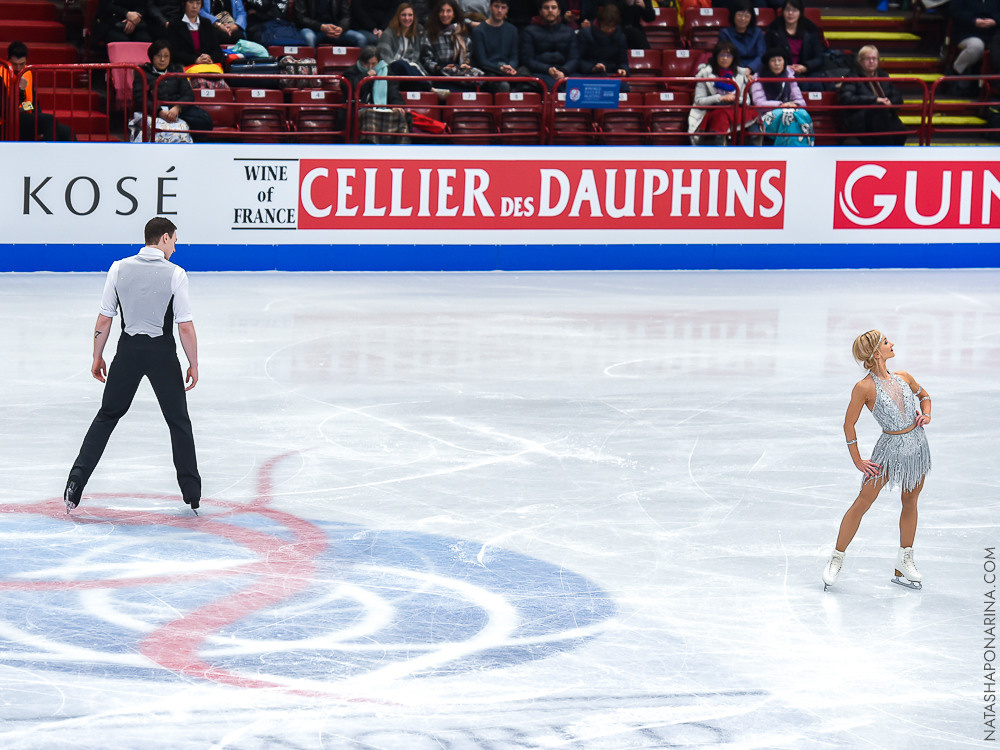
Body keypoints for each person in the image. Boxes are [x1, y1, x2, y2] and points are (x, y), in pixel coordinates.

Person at [64, 217, 202, 516]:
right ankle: (191, 493)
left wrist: (97, 356)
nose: (176, 248)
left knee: (107, 415)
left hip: (127, 352)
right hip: (162, 354)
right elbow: (185, 326)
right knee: (178, 420)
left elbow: (105, 319)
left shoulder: (118, 268)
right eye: (175, 241)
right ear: (164, 238)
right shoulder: (176, 274)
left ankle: (75, 482)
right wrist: (193, 363)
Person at [822, 331, 932, 591]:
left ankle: (905, 558)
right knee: (863, 501)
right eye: (886, 342)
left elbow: (924, 396)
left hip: (917, 447)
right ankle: (837, 557)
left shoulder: (904, 377)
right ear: (875, 353)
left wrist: (926, 415)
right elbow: (849, 425)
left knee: (910, 501)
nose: (891, 344)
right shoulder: (864, 387)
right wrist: (858, 460)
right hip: (888, 450)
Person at [132, 39, 214, 138]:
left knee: (204, 120)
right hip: (154, 110)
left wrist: (177, 108)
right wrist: (159, 112)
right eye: (158, 56)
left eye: (166, 56)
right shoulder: (142, 72)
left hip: (176, 109)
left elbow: (188, 94)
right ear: (152, 57)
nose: (162, 60)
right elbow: (140, 98)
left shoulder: (177, 70)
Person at [0, 42, 76, 141]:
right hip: (8, 121)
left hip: (27, 117)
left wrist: (38, 117)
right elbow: (6, 110)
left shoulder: (27, 72)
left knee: (67, 131)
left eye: (21, 64)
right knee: (48, 120)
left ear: (26, 60)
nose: (18, 69)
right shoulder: (1, 75)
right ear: (8, 59)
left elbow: (34, 102)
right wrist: (21, 91)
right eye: (14, 64)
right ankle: (50, 153)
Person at [837, 45, 907, 145]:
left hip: (885, 114)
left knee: (901, 132)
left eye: (874, 58)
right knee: (880, 115)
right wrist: (875, 100)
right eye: (867, 59)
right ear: (860, 61)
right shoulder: (852, 77)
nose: (871, 61)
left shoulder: (883, 75)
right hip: (861, 116)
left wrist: (890, 102)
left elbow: (897, 96)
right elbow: (847, 98)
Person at [688, 40, 751, 144]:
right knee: (721, 115)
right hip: (712, 111)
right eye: (722, 54)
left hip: (735, 110)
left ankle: (754, 151)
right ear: (716, 56)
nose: (725, 58)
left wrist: (734, 98)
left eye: (729, 55)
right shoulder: (705, 74)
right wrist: (720, 98)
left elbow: (747, 101)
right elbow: (699, 100)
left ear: (733, 58)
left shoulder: (740, 75)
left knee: (753, 115)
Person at [749, 46, 813, 145]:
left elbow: (801, 101)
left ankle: (802, 146)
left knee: (802, 113)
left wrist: (795, 104)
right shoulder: (758, 78)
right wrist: (781, 105)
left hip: (788, 111)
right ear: (768, 63)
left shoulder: (789, 76)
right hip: (766, 117)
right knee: (788, 116)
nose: (777, 64)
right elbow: (759, 103)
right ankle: (791, 149)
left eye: (780, 60)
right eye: (773, 61)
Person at [764, 0, 825, 90]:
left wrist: (805, 67)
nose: (790, 13)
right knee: (798, 85)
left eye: (795, 10)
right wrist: (783, 66)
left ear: (800, 12)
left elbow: (819, 57)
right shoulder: (774, 30)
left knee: (816, 85)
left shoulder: (810, 29)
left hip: (806, 70)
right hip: (782, 70)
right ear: (783, 11)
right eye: (787, 10)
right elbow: (768, 54)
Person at [518, 0, 579, 89]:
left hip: (564, 72)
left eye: (553, 8)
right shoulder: (529, 31)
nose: (550, 10)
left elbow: (574, 58)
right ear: (540, 11)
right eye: (546, 8)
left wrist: (563, 71)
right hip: (540, 73)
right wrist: (548, 69)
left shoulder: (569, 32)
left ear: (559, 11)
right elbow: (527, 59)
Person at [421, 0, 483, 86]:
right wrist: (440, 68)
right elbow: (426, 60)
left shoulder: (462, 32)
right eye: (442, 11)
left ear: (454, 14)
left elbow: (467, 54)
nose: (445, 14)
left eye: (448, 11)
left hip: (460, 73)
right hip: (439, 75)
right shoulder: (429, 33)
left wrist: (465, 63)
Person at [946, 0, 999, 96]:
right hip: (967, 32)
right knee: (976, 46)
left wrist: (995, 20)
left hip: (993, 34)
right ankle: (955, 71)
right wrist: (973, 20)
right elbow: (954, 12)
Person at [472, 0, 520, 90]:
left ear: (507, 9)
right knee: (503, 85)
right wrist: (500, 68)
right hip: (488, 72)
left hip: (508, 70)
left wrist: (510, 67)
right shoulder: (479, 31)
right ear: (490, 7)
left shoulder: (512, 30)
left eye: (503, 7)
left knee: (527, 84)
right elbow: (482, 60)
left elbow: (514, 56)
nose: (499, 10)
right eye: (496, 6)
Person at [167, 0, 226, 66]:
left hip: (208, 66)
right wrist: (195, 59)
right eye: (191, 2)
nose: (194, 6)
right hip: (185, 67)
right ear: (184, 3)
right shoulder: (175, 24)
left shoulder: (206, 23)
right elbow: (173, 53)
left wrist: (210, 58)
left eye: (198, 3)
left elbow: (217, 50)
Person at [378, 2, 429, 77]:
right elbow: (385, 59)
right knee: (401, 64)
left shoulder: (419, 31)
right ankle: (429, 87)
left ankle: (427, 85)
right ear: (398, 17)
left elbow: (424, 55)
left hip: (412, 69)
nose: (407, 18)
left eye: (410, 15)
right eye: (403, 15)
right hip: (394, 71)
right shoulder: (388, 33)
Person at [578, 3, 628, 79]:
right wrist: (592, 67)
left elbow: (623, 61)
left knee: (624, 87)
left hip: (611, 73)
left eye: (613, 26)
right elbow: (577, 59)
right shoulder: (585, 34)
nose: (610, 30)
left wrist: (623, 69)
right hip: (588, 73)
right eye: (606, 26)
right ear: (600, 23)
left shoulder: (620, 37)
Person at [295, 0, 368, 49]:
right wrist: (321, 26)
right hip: (313, 28)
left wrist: (341, 28)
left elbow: (345, 16)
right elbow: (300, 18)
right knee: (309, 37)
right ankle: (312, 68)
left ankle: (353, 70)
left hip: (334, 29)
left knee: (360, 38)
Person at [719, 0, 765, 74]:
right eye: (739, 15)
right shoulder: (725, 33)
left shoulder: (757, 32)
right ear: (733, 15)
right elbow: (725, 56)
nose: (743, 19)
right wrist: (741, 71)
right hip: (733, 71)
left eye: (746, 16)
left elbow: (761, 55)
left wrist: (750, 69)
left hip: (755, 71)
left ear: (751, 18)